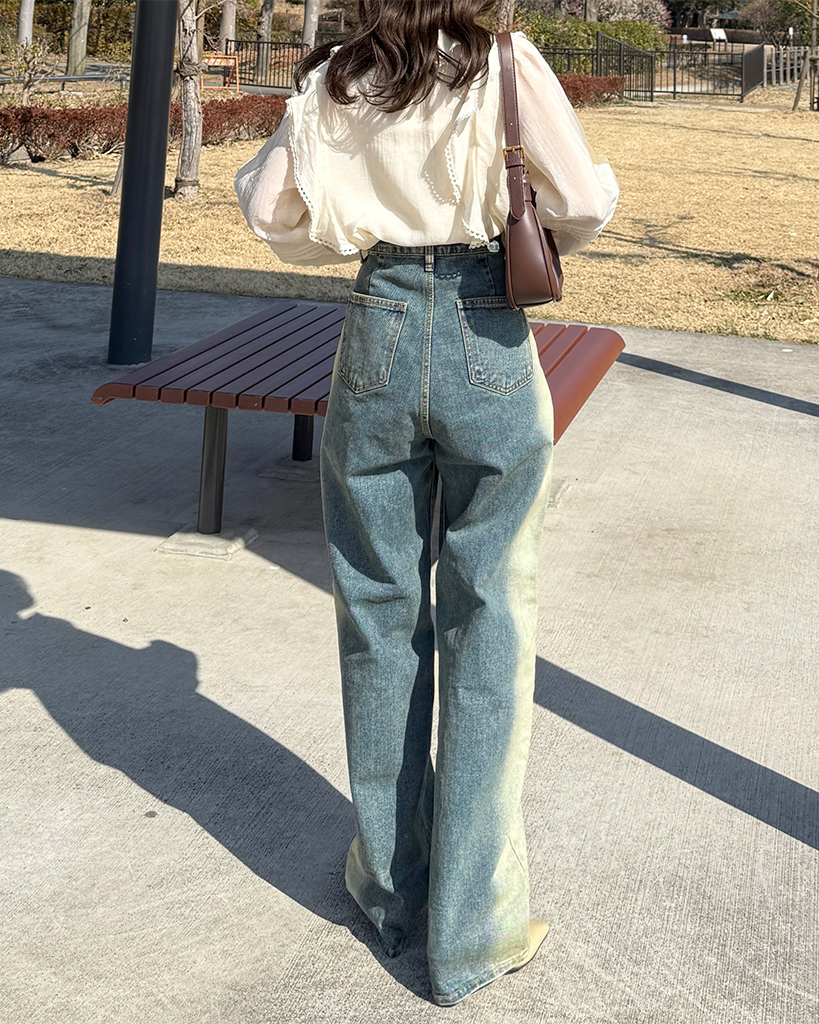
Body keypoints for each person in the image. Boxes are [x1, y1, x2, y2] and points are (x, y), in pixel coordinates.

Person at [235, 0, 618, 1006]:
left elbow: (271, 212)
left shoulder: (335, 76)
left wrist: (355, 210)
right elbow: (584, 203)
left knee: (376, 611)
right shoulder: (504, 63)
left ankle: (390, 887)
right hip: (488, 333)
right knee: (491, 616)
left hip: (378, 326)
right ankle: (472, 930)